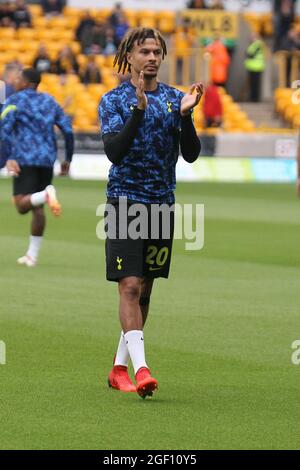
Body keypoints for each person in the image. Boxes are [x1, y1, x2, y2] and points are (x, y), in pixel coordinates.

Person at [98, 27, 203, 398]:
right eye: (144, 51)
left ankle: (119, 368)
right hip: (125, 201)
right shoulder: (113, 101)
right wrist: (138, 112)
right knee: (128, 285)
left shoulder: (176, 100)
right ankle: (142, 370)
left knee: (144, 291)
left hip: (161, 204)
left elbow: (190, 154)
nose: (152, 57)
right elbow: (114, 151)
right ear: (129, 56)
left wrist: (187, 116)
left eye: (157, 51)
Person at [0, 68, 74, 267]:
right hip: (47, 159)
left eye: (17, 78)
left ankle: (46, 194)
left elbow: (4, 129)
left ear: (24, 82)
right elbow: (67, 129)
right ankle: (32, 256)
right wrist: (67, 159)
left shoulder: (14, 101)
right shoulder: (50, 101)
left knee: (21, 205)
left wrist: (8, 157)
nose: (14, 81)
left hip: (24, 158)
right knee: (37, 206)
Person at [244, 33, 265, 102]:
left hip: (257, 66)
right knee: (253, 84)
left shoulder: (257, 44)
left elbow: (250, 54)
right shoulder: (254, 44)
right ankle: (253, 97)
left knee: (255, 84)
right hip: (252, 66)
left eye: (253, 37)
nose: (251, 38)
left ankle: (255, 98)